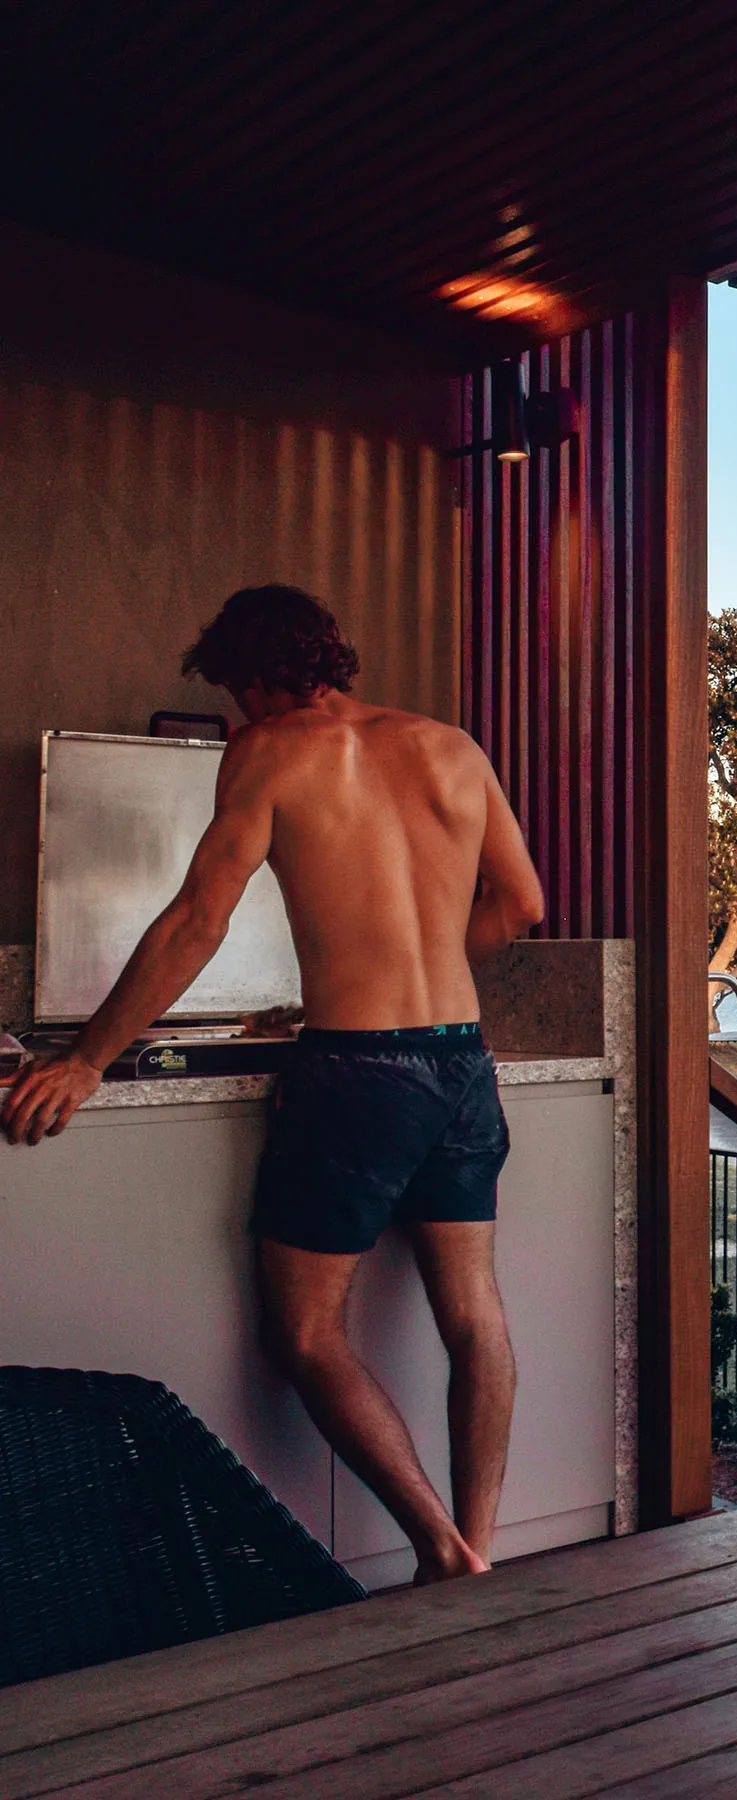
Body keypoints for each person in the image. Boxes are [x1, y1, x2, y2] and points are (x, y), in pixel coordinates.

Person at [1, 585, 546, 1584]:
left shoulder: (269, 751)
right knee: (475, 1313)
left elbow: (196, 922)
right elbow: (522, 901)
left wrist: (85, 1059)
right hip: (462, 1064)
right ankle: (482, 1542)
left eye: (237, 694)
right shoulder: (453, 748)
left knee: (303, 1332)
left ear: (256, 678)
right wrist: (409, 969)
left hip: (360, 1076)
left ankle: (440, 1551)